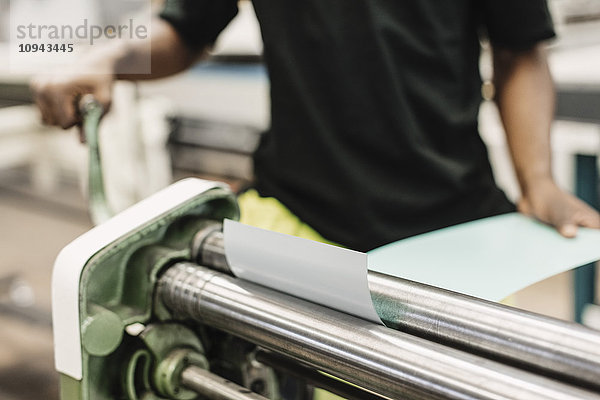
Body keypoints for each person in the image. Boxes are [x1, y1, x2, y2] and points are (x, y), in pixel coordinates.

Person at [31, 0, 600, 252]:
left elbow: (519, 47)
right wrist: (106, 59)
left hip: (451, 225)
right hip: (298, 215)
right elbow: (185, 28)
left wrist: (538, 181)